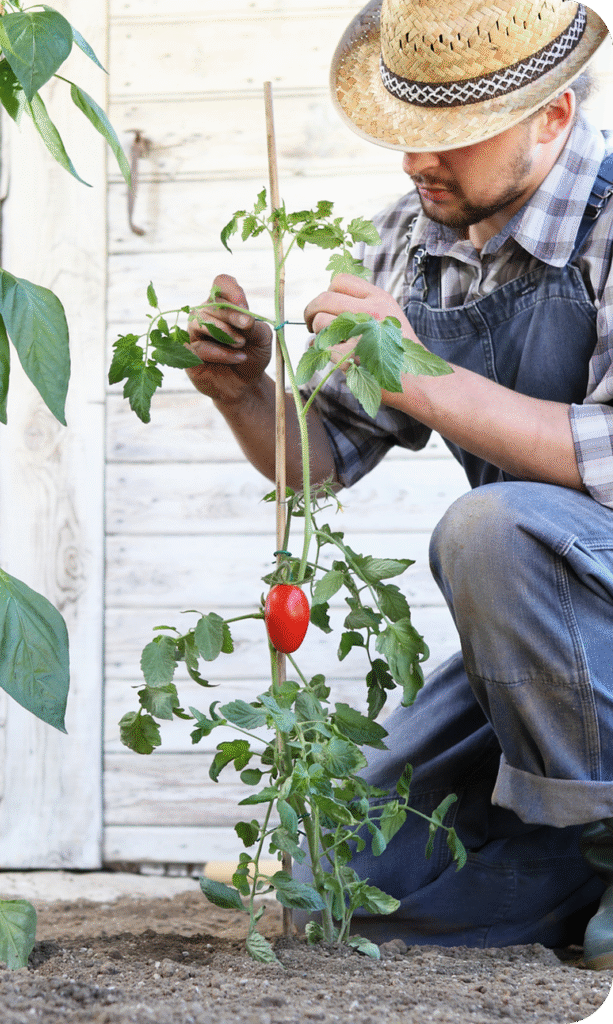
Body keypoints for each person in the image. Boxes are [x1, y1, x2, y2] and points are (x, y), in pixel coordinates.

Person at [186, 0, 613, 968]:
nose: (417, 159)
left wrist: (416, 372)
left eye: (451, 133)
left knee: (488, 529)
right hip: (541, 647)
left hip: (582, 596)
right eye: (407, 128)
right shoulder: (415, 239)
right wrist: (244, 391)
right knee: (334, 877)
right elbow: (321, 457)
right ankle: (577, 857)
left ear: (553, 114)